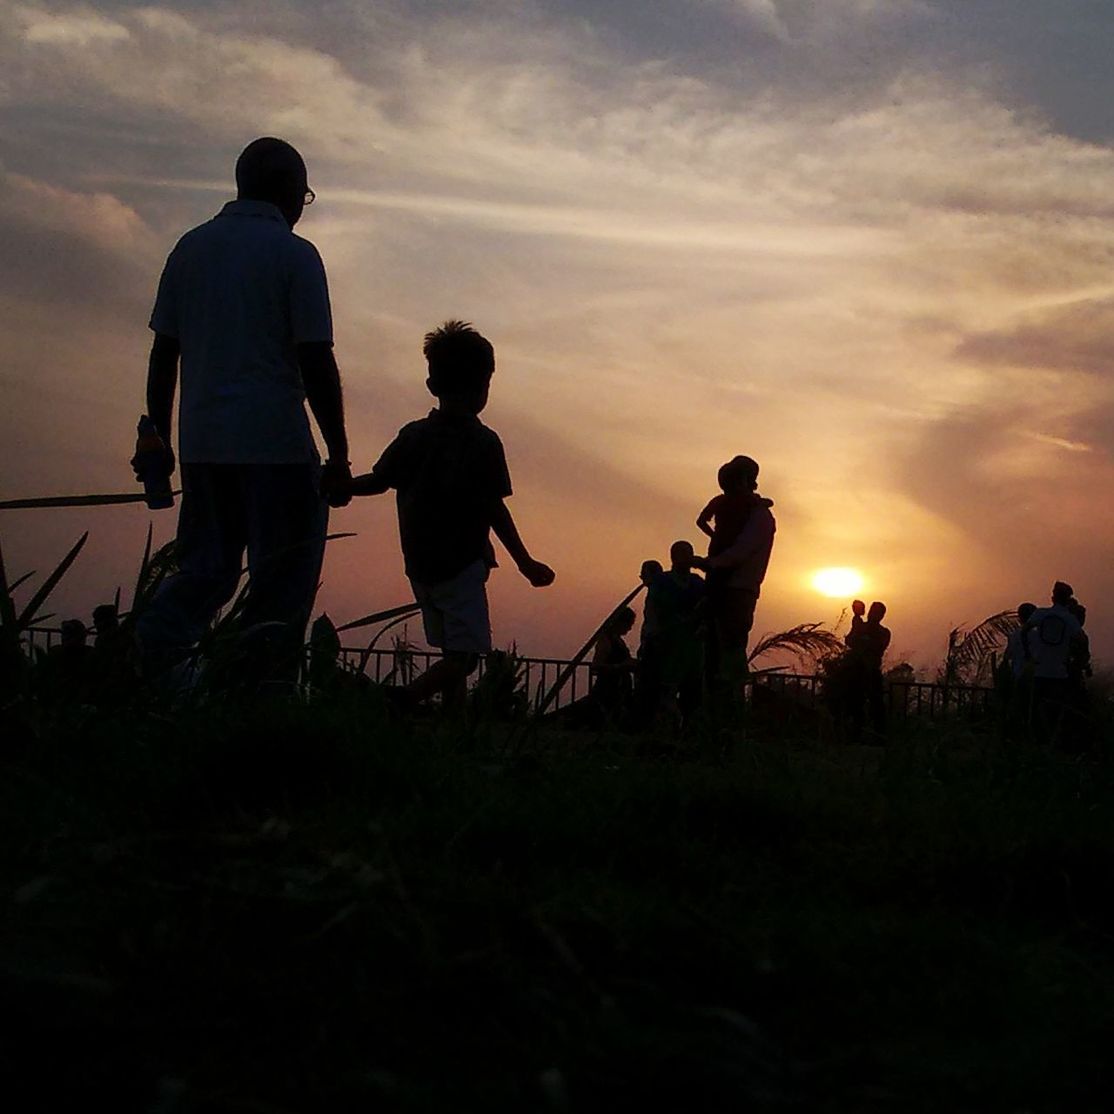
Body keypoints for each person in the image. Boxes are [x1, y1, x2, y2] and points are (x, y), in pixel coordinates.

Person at [133, 137, 352, 691]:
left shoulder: (191, 248)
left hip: (204, 444)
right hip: (275, 445)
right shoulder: (294, 255)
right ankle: (251, 698)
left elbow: (165, 352)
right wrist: (340, 453)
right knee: (281, 584)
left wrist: (158, 434)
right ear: (286, 190)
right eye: (303, 193)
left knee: (203, 571)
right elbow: (315, 358)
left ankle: (144, 666)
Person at [345, 321, 554, 708]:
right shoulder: (483, 442)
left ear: (432, 384)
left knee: (451, 652)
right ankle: (403, 700)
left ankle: (452, 725)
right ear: (483, 388)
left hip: (421, 565)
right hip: (461, 565)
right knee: (466, 657)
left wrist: (341, 488)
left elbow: (378, 480)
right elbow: (495, 508)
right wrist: (525, 563)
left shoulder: (413, 436)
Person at [693, 455, 775, 690]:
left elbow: (742, 551)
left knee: (729, 652)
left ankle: (730, 711)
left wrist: (711, 562)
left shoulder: (759, 515)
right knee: (712, 653)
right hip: (720, 584)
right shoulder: (735, 507)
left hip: (739, 590)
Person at [647, 541, 706, 727]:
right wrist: (655, 633)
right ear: (673, 556)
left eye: (689, 553)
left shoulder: (698, 582)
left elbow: (707, 607)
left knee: (693, 689)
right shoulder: (661, 581)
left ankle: (688, 727)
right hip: (667, 642)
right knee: (665, 688)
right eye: (681, 554)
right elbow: (652, 608)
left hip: (693, 644)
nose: (685, 558)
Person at [1022, 581, 1087, 745]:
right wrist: (1078, 660)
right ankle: (1053, 742)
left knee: (1035, 710)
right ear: (1068, 599)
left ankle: (1035, 742)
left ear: (1053, 598)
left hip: (1040, 669)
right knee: (1056, 711)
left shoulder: (1041, 614)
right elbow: (1082, 639)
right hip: (1059, 672)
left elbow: (1024, 631)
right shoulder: (1069, 619)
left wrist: (1029, 655)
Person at [845, 601, 891, 742]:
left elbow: (878, 647)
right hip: (857, 671)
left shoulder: (883, 632)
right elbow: (849, 641)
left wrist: (863, 637)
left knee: (876, 705)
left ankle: (878, 735)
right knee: (855, 703)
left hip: (872, 672)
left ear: (882, 616)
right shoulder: (860, 626)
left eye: (877, 612)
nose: (872, 614)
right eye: (872, 611)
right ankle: (854, 733)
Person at [589, 606, 637, 726]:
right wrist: (619, 667)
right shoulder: (606, 640)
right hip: (607, 691)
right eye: (629, 624)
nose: (630, 628)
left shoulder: (618, 640)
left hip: (620, 691)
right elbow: (596, 666)